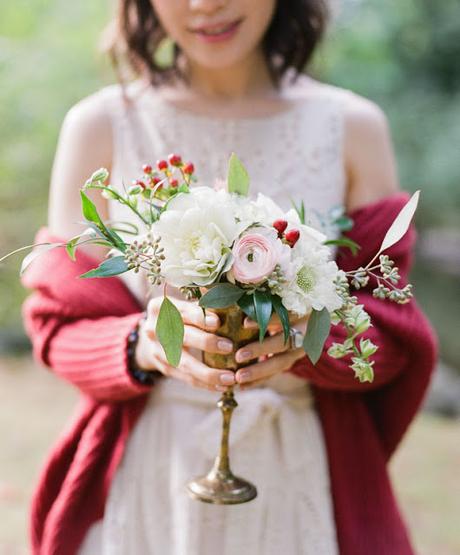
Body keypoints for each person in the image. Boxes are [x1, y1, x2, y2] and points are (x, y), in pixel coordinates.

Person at [23, 1, 437, 554]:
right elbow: (59, 326)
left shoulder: (352, 128)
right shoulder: (100, 126)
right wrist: (143, 345)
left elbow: (391, 335)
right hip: (149, 477)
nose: (204, 5)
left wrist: (308, 341)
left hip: (299, 473)